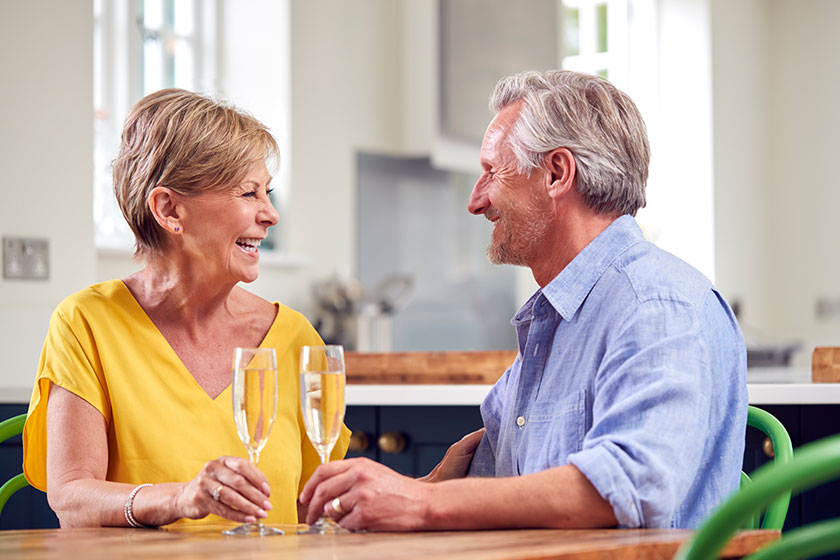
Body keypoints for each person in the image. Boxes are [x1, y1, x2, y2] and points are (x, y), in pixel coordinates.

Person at [299, 70, 747, 531]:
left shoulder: (655, 303)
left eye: (492, 171)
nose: (475, 201)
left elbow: (634, 486)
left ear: (556, 173)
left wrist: (423, 503)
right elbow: (501, 486)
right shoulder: (555, 317)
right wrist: (427, 489)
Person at [22, 89, 349, 528]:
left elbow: (314, 509)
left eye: (267, 192)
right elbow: (72, 497)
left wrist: (425, 487)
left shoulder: (294, 337)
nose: (270, 214)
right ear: (169, 208)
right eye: (249, 193)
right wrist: (180, 498)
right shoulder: (87, 324)